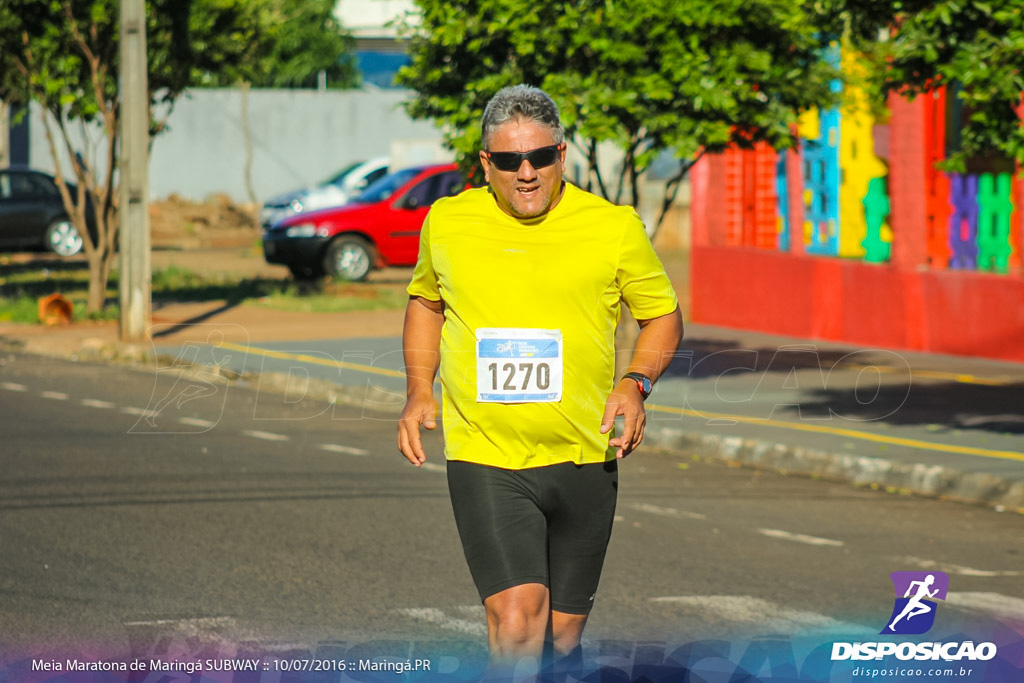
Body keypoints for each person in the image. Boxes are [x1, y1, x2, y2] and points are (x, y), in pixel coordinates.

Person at [397, 84, 683, 678]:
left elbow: (662, 315)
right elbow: (425, 302)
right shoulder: (448, 222)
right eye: (507, 161)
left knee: (561, 641)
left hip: (584, 455)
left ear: (562, 154)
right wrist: (419, 388)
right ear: (485, 164)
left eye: (540, 158)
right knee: (519, 623)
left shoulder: (612, 227)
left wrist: (635, 383)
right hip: (487, 455)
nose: (526, 173)